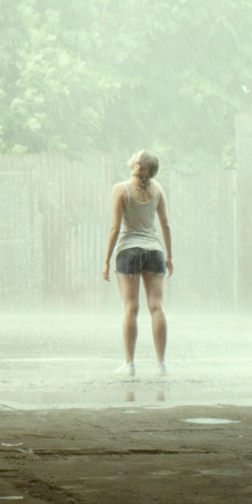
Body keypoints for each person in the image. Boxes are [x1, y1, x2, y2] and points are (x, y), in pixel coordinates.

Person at [101, 150, 173, 377]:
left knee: (131, 308)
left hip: (129, 251)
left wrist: (105, 260)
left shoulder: (120, 189)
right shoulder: (158, 189)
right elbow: (166, 225)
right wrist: (169, 257)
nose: (132, 154)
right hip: (154, 251)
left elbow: (114, 228)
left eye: (136, 155)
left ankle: (129, 364)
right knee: (157, 307)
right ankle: (161, 364)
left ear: (137, 167)